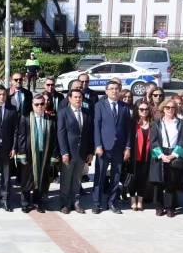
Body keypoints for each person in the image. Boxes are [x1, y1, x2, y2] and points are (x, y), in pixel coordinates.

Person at [92, 81, 131, 214]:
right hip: (103, 147)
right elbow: (96, 126)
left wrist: (128, 147)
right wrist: (98, 145)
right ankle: (97, 203)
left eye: (117, 88)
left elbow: (128, 129)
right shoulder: (99, 105)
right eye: (112, 89)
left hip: (119, 148)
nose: (114, 91)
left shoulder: (125, 107)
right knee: (100, 176)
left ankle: (112, 202)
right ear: (106, 91)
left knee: (116, 176)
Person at [149, 98, 183, 217]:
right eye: (167, 107)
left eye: (173, 107)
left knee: (172, 182)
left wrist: (173, 155)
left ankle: (170, 207)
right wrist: (161, 155)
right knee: (158, 182)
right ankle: (159, 206)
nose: (170, 110)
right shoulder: (157, 123)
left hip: (174, 153)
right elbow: (153, 141)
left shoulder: (181, 123)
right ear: (163, 109)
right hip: (160, 153)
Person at [58, 87, 93, 214]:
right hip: (69, 153)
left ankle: (76, 202)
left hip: (82, 153)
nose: (78, 99)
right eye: (75, 97)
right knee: (66, 180)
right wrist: (64, 152)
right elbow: (61, 134)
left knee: (77, 179)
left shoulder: (87, 113)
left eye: (80, 97)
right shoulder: (63, 113)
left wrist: (90, 152)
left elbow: (90, 134)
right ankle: (65, 204)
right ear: (70, 98)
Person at [18, 93, 56, 213]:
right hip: (29, 154)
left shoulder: (50, 119)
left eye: (42, 104)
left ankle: (38, 202)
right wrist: (22, 154)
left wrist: (54, 156)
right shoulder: (25, 118)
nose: (39, 106)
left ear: (45, 105)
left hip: (44, 154)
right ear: (32, 105)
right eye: (37, 104)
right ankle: (25, 203)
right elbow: (21, 137)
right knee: (27, 179)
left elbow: (54, 139)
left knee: (42, 179)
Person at [127, 99, 155, 212]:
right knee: (133, 178)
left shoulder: (153, 123)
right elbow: (128, 139)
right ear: (137, 110)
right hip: (134, 156)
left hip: (147, 156)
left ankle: (140, 200)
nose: (144, 111)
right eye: (141, 109)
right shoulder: (132, 123)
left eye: (146, 109)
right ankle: (133, 199)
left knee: (143, 179)